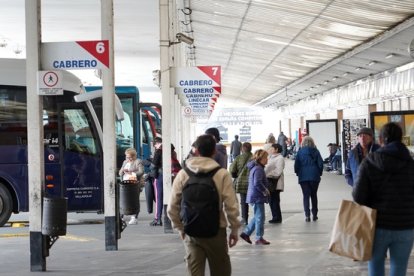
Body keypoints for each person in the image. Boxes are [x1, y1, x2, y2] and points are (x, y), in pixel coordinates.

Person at [167, 134, 240, 276]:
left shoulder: (183, 174)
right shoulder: (222, 174)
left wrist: (180, 228)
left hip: (191, 231)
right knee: (221, 271)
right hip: (216, 231)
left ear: (196, 151)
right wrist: (234, 229)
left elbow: (172, 208)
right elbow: (231, 206)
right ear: (214, 151)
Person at [353, 122, 414, 276]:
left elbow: (358, 196)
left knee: (375, 266)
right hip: (405, 226)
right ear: (401, 139)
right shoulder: (411, 163)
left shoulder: (369, 162)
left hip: (376, 225)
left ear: (380, 140)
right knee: (399, 269)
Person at [239, 149, 271, 245]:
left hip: (254, 196)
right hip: (257, 196)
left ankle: (246, 233)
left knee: (257, 216)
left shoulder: (256, 167)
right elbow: (257, 183)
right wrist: (265, 190)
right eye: (265, 157)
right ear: (260, 158)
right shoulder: (258, 169)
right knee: (260, 217)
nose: (267, 159)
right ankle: (258, 238)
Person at [294, 136, 323, 222]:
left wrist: (298, 173)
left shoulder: (300, 152)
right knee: (314, 195)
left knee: (306, 196)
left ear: (303, 143)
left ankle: (307, 215)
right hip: (314, 176)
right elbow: (320, 164)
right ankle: (315, 214)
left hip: (303, 177)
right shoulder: (316, 152)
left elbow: (296, 165)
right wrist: (319, 173)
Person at [119, 148, 144, 225]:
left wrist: (131, 173)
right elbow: (120, 173)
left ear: (134, 156)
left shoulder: (138, 161)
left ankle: (134, 218)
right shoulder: (125, 162)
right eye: (126, 157)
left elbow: (141, 172)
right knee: (123, 200)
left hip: (135, 184)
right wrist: (123, 171)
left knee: (134, 200)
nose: (128, 159)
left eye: (129, 157)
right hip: (125, 184)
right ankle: (121, 217)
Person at [229, 142, 253, 225]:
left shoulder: (238, 158)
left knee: (243, 201)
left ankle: (244, 218)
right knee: (256, 201)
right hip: (253, 182)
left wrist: (236, 175)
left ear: (242, 149)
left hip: (241, 183)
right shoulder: (254, 157)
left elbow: (232, 170)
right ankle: (259, 217)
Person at [264, 143, 285, 223]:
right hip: (270, 182)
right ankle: (274, 216)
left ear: (276, 150)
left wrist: (268, 174)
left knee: (275, 200)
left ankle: (277, 217)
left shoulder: (280, 158)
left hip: (276, 183)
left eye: (272, 149)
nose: (270, 150)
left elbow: (278, 172)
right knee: (271, 200)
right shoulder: (270, 157)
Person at [149, 137, 163, 226]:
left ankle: (157, 218)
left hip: (160, 176)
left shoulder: (159, 151)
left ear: (156, 143)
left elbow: (153, 166)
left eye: (154, 144)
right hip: (170, 175)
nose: (154, 146)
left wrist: (148, 164)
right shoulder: (170, 150)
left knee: (159, 198)